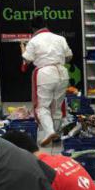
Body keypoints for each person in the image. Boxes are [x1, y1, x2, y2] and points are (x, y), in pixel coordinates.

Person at [21, 17, 72, 146]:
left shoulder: (33, 41)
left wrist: (22, 49)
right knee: (57, 106)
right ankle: (56, 134)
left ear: (33, 28)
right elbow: (69, 57)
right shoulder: (60, 38)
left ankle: (49, 132)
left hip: (45, 74)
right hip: (62, 72)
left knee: (42, 106)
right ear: (46, 25)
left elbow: (27, 60)